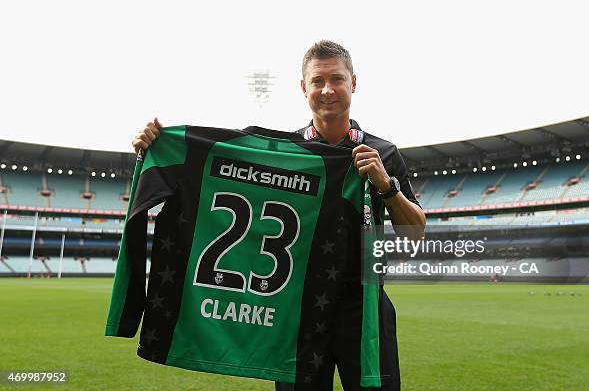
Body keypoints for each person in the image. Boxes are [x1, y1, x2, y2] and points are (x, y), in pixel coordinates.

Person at [132, 40, 426, 391]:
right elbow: (214, 161)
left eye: (337, 79)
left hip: (363, 311)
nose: (327, 90)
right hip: (295, 310)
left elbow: (414, 235)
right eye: (317, 81)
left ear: (354, 83)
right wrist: (158, 143)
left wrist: (386, 186)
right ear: (304, 87)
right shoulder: (280, 153)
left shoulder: (382, 153)